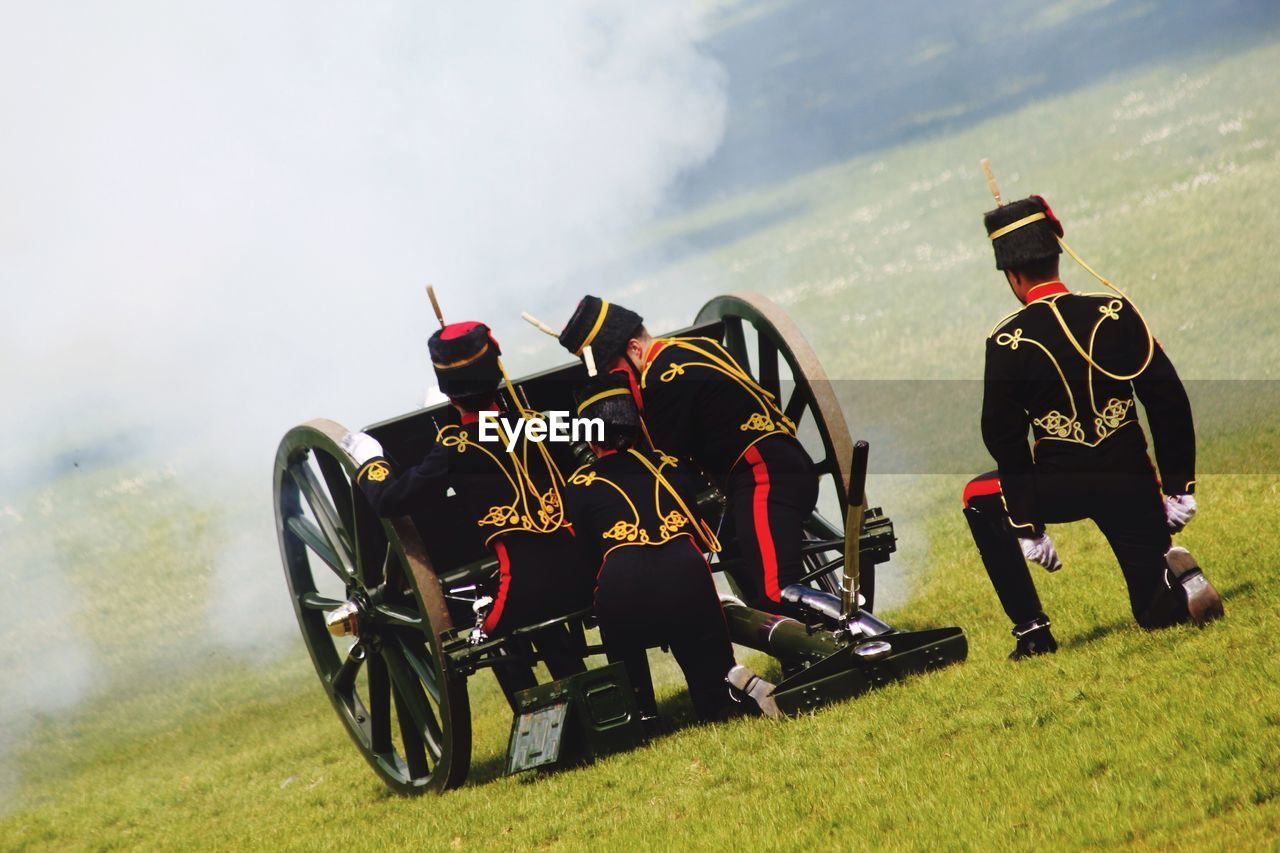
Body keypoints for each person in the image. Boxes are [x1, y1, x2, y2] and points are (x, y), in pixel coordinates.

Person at [962, 194, 1223, 659]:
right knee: (1151, 610)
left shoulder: (1005, 340)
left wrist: (1027, 523)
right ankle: (1178, 587)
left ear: (1013, 275)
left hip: (1059, 488)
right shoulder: (1115, 310)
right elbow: (1167, 399)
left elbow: (1003, 438)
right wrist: (1179, 486)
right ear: (1056, 255)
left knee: (976, 497)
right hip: (1132, 483)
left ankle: (1032, 632)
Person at [340, 320, 595, 702]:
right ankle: (586, 695)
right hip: (587, 574)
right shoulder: (540, 423)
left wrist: (369, 460)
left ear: (448, 390)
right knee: (538, 594)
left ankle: (536, 708)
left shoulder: (454, 446)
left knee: (493, 614)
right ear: (495, 371)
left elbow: (390, 499)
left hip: (520, 589)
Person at [556, 297, 819, 616]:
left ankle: (868, 632)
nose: (619, 382)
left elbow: (665, 464)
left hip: (762, 477)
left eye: (615, 370)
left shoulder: (661, 380)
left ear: (634, 348)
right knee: (752, 572)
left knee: (776, 590)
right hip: (775, 468)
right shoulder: (695, 348)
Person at [562, 373, 779, 722]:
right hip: (687, 580)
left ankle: (641, 711)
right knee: (715, 694)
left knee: (614, 602)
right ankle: (717, 697)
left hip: (623, 592)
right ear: (634, 424)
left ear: (590, 438)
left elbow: (588, 559)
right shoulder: (674, 466)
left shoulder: (576, 485)